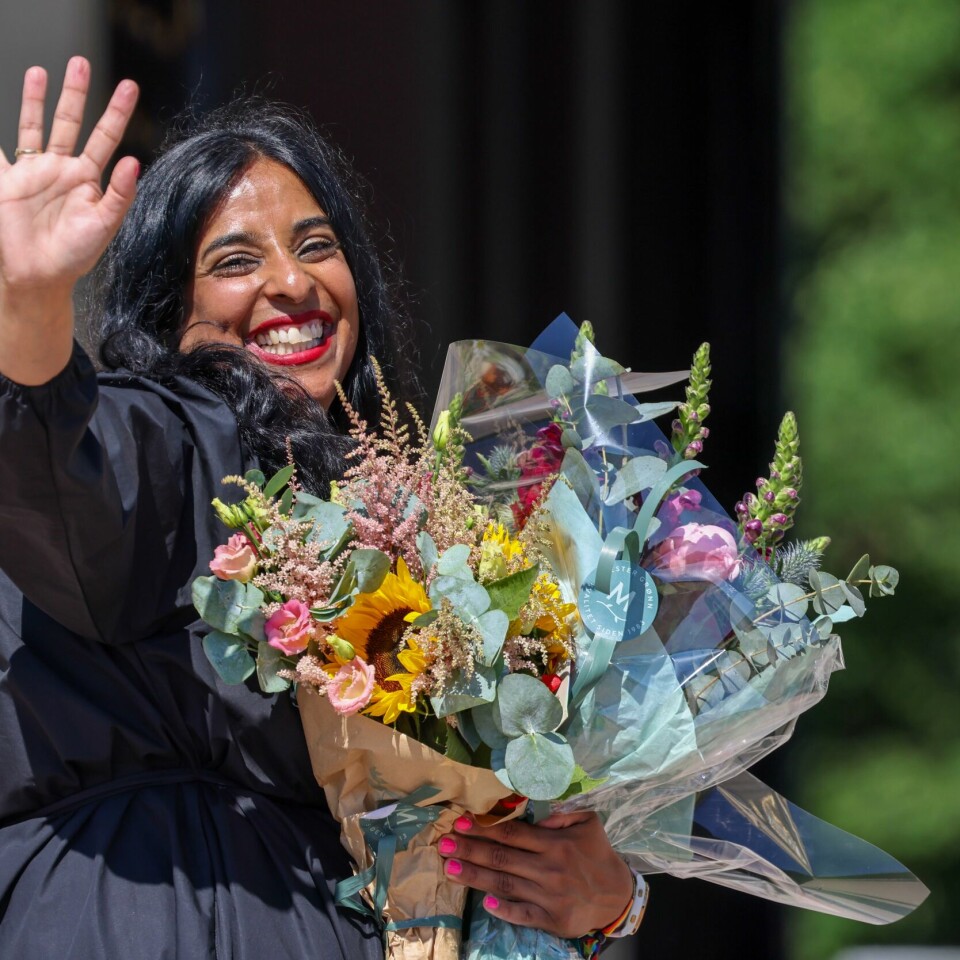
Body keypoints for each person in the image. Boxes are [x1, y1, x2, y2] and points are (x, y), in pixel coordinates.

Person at [0, 57, 635, 958]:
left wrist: (609, 899)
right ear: (169, 310)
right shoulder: (174, 433)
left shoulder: (406, 515)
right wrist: (28, 308)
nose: (293, 283)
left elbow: (471, 827)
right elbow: (53, 479)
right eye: (233, 260)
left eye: (316, 245)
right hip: (142, 913)